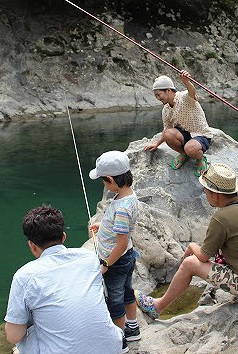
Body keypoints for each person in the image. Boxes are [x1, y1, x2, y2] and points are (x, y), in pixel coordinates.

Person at [134, 163, 238, 319]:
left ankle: (157, 307)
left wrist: (192, 246)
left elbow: (204, 257)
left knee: (189, 264)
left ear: (216, 194)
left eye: (206, 190)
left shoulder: (222, 218)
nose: (205, 193)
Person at [4, 205, 123, 354]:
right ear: (64, 237)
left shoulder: (25, 276)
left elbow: (13, 336)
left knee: (24, 333)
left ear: (32, 245)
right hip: (111, 348)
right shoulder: (89, 258)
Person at [88, 150, 140, 352]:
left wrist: (105, 264)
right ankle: (133, 328)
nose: (104, 184)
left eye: (103, 181)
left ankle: (120, 341)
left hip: (116, 262)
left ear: (110, 179)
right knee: (128, 291)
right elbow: (121, 228)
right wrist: (104, 225)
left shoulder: (121, 208)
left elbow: (120, 243)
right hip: (128, 256)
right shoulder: (128, 196)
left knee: (115, 300)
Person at [143, 70, 213, 177]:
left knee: (191, 148)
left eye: (159, 94)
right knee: (168, 134)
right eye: (156, 96)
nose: (158, 98)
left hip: (200, 135)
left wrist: (186, 81)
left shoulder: (184, 97)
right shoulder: (166, 109)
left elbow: (192, 93)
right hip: (184, 135)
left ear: (168, 90)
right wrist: (156, 144)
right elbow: (167, 129)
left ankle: (200, 159)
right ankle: (184, 154)